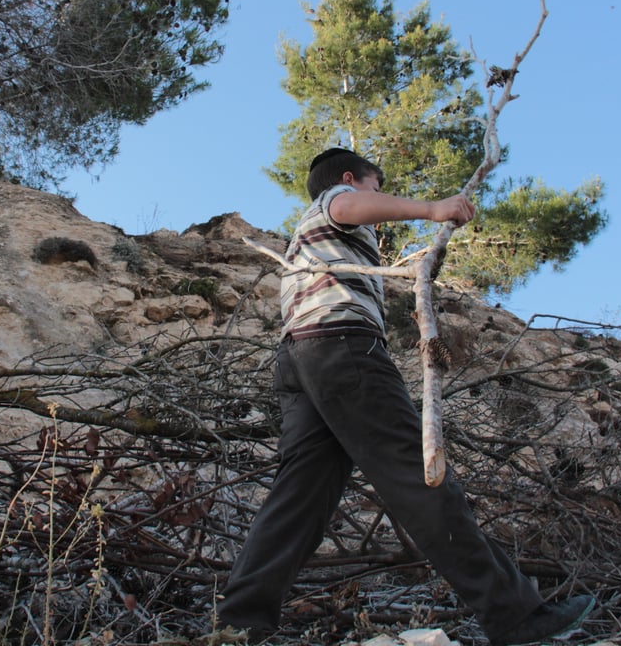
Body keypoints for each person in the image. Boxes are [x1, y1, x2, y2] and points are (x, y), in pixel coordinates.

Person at [215, 148, 594, 645]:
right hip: (343, 348)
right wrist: (434, 208)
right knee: (420, 478)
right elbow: (350, 206)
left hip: (300, 358)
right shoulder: (339, 199)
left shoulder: (311, 241)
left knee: (299, 500)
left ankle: (238, 625)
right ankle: (516, 616)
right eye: (376, 185)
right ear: (350, 179)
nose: (376, 195)